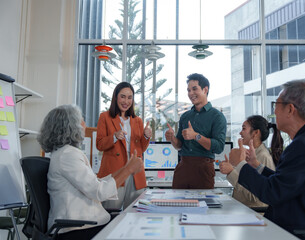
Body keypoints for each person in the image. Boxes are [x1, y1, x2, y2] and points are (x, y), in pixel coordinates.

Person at [228, 80, 305, 234]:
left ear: (290, 109)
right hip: (303, 225)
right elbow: (284, 182)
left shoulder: (303, 147)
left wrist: (240, 164)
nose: (274, 112)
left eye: (276, 105)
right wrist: (257, 165)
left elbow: (272, 193)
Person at [37, 105, 143, 240]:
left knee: (130, 222)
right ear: (71, 127)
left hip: (82, 224)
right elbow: (99, 192)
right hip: (77, 229)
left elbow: (96, 183)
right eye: (81, 121)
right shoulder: (68, 155)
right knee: (134, 226)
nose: (85, 125)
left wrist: (125, 168)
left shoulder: (64, 153)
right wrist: (128, 170)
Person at [165, 73, 227, 189]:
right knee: (177, 204)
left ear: (205, 89)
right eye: (188, 90)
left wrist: (196, 136)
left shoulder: (217, 117)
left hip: (203, 170)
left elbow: (219, 147)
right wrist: (172, 138)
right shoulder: (185, 116)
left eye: (194, 89)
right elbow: (179, 146)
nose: (190, 93)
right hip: (182, 168)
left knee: (204, 204)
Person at [96, 82, 151, 210]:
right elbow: (99, 144)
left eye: (129, 97)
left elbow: (141, 149)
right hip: (114, 171)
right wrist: (114, 137)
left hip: (135, 172)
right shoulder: (105, 117)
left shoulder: (137, 120)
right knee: (111, 213)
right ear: (116, 97)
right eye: (123, 96)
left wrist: (146, 136)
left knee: (135, 212)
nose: (126, 101)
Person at [219, 115, 283, 208]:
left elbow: (253, 196)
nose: (240, 133)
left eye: (244, 129)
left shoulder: (262, 156)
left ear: (256, 133)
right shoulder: (253, 155)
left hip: (255, 213)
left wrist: (231, 172)